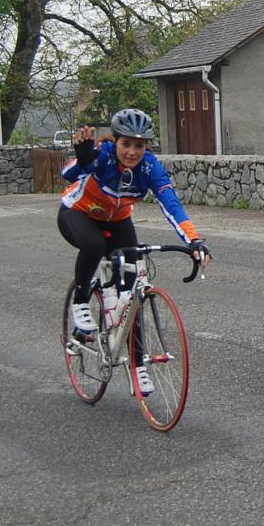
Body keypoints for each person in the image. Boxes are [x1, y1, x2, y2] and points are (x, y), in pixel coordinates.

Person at [59, 108, 210, 394]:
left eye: (139, 145)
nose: (132, 151)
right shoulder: (101, 155)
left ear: (147, 147)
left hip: (117, 221)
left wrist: (194, 240)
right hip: (78, 214)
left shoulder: (150, 167)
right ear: (115, 141)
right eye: (126, 144)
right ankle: (81, 301)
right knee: (94, 245)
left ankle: (138, 365)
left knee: (132, 296)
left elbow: (171, 203)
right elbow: (69, 174)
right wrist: (82, 156)